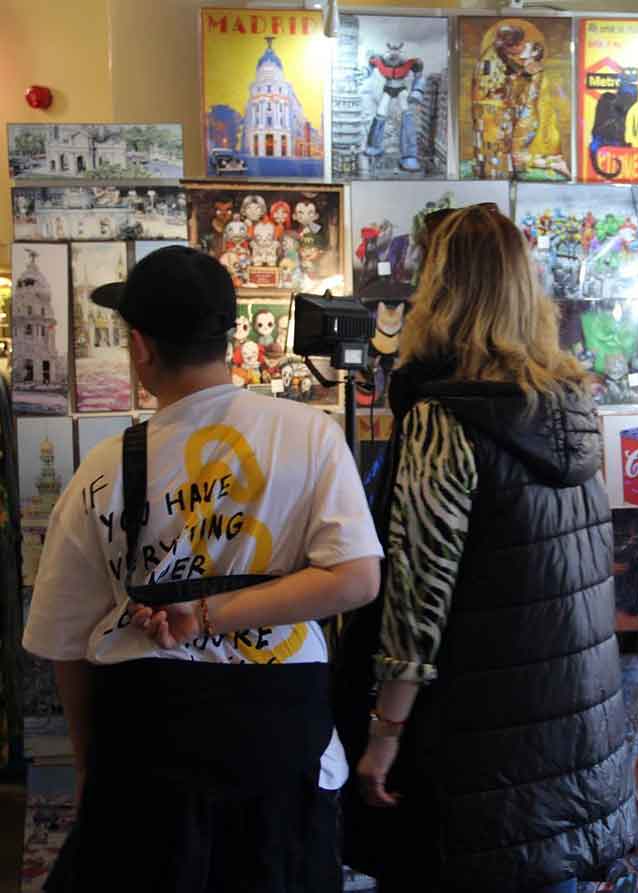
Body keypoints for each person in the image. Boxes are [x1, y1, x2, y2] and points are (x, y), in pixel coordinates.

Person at [21, 245, 382, 890]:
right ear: (228, 333)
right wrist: (218, 615)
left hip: (147, 743)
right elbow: (356, 577)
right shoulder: (310, 434)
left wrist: (87, 766)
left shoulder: (103, 469)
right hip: (280, 736)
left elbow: (63, 642)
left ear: (139, 348)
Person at [354, 204, 636, 891]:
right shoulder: (571, 408)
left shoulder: (444, 417)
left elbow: (417, 600)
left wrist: (384, 732)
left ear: (437, 292)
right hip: (581, 764)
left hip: (485, 771)